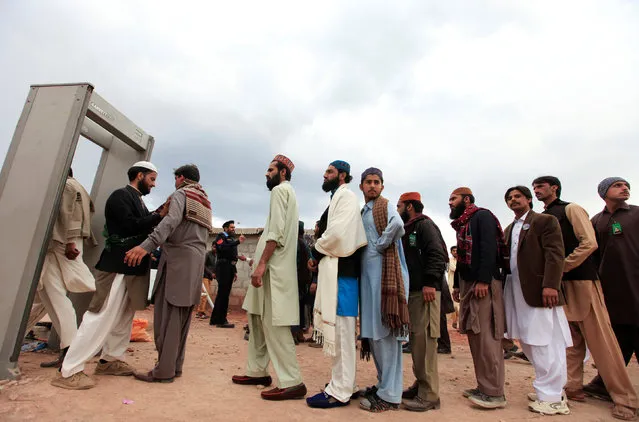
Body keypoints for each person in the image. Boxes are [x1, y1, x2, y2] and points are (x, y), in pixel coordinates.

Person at [52, 161, 168, 390]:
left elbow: (142, 228)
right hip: (117, 266)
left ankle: (110, 360)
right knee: (100, 315)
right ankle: (69, 370)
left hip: (132, 269)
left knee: (124, 317)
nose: (154, 185)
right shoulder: (120, 196)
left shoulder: (139, 201)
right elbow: (128, 227)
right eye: (151, 179)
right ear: (139, 175)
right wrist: (158, 215)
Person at [534, 176, 638, 421]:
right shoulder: (589, 219)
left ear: (554, 188)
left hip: (581, 281)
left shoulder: (571, 209)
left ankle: (626, 400)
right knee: (570, 339)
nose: (537, 190)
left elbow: (588, 244)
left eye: (540, 186)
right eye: (534, 187)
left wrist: (563, 266)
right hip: (562, 284)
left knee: (601, 342)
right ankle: (573, 386)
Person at [125, 164, 211, 382]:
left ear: (180, 178)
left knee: (168, 315)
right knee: (181, 317)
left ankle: (164, 371)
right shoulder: (204, 200)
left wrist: (146, 246)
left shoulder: (181, 194)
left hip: (178, 261)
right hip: (196, 262)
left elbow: (171, 222)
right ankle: (175, 366)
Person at [232, 154, 307, 401]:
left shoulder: (280, 192)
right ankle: (256, 372)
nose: (266, 173)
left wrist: (261, 264)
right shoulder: (287, 193)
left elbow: (275, 233)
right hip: (268, 270)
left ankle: (292, 381)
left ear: (283, 172)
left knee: (275, 325)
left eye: (271, 169)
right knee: (256, 319)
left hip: (273, 271)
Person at [502, 186, 572, 415]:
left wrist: (551, 285)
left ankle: (552, 396)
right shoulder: (510, 228)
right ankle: (548, 388)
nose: (513, 200)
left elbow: (555, 254)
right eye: (509, 198)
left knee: (545, 340)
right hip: (516, 291)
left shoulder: (545, 221)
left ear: (529, 200)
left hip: (541, 291)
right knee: (529, 340)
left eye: (517, 196)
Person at [305, 160, 367, 409]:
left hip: (344, 275)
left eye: (329, 171)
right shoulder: (337, 198)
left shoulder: (347, 197)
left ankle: (339, 391)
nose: (324, 174)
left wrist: (316, 251)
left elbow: (338, 233)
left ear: (342, 175)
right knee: (342, 334)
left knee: (342, 334)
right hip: (339, 274)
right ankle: (346, 385)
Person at [32, 168, 97, 368]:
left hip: (61, 245)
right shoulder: (78, 186)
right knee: (50, 296)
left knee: (56, 297)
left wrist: (69, 241)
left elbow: (72, 214)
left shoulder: (67, 186)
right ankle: (68, 350)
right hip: (65, 244)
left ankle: (71, 351)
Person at [449, 187, 506, 409]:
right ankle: (483, 387)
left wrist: (483, 280)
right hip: (469, 283)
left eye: (453, 199)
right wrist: (456, 285)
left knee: (487, 337)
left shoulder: (482, 216)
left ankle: (494, 393)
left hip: (484, 283)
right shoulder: (463, 224)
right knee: (475, 335)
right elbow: (463, 259)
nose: (450, 203)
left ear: (466, 199)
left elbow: (488, 249)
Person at [358, 167, 410, 412]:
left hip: (385, 278)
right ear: (361, 186)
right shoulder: (364, 210)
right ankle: (382, 385)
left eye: (377, 182)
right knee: (374, 334)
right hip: (368, 279)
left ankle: (390, 395)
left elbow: (398, 223)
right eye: (368, 182)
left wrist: (380, 245)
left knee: (387, 335)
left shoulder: (384, 205)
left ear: (382, 186)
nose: (372, 186)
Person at [589, 177, 639, 419]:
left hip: (636, 284)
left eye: (625, 185)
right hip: (611, 289)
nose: (624, 188)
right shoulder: (597, 221)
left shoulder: (637, 214)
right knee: (618, 338)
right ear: (603, 193)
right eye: (617, 185)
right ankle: (603, 384)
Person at [397, 192, 447, 412]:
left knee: (425, 341)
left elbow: (438, 254)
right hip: (415, 292)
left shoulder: (425, 225)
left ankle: (429, 395)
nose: (396, 209)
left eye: (399, 205)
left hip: (426, 292)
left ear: (409, 206)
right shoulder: (410, 227)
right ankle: (421, 385)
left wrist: (429, 282)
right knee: (417, 342)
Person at [210, 220, 246, 328]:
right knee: (223, 295)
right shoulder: (221, 236)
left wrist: (234, 270)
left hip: (229, 267)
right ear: (225, 228)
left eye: (234, 227)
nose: (233, 229)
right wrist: (237, 242)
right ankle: (221, 321)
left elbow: (232, 256)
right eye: (231, 227)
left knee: (223, 294)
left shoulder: (231, 240)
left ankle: (215, 319)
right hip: (223, 267)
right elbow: (222, 248)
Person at [292, 221, 312, 344]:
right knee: (300, 306)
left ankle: (294, 334)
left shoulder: (295, 243)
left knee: (294, 307)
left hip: (295, 280)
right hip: (304, 281)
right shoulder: (305, 243)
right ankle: (299, 333)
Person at [197, 244, 217, 319]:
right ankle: (200, 312)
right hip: (205, 276)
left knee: (206, 294)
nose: (215, 248)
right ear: (211, 246)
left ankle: (200, 311)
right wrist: (211, 273)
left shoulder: (216, 256)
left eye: (216, 247)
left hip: (210, 278)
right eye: (214, 247)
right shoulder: (208, 254)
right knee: (205, 294)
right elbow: (203, 265)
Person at [447, 246, 459, 329]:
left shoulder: (461, 261)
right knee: (454, 305)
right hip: (452, 285)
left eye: (456, 251)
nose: (455, 252)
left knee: (460, 305)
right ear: (451, 252)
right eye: (453, 251)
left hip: (460, 285)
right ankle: (455, 321)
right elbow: (454, 268)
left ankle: (459, 324)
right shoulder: (449, 260)